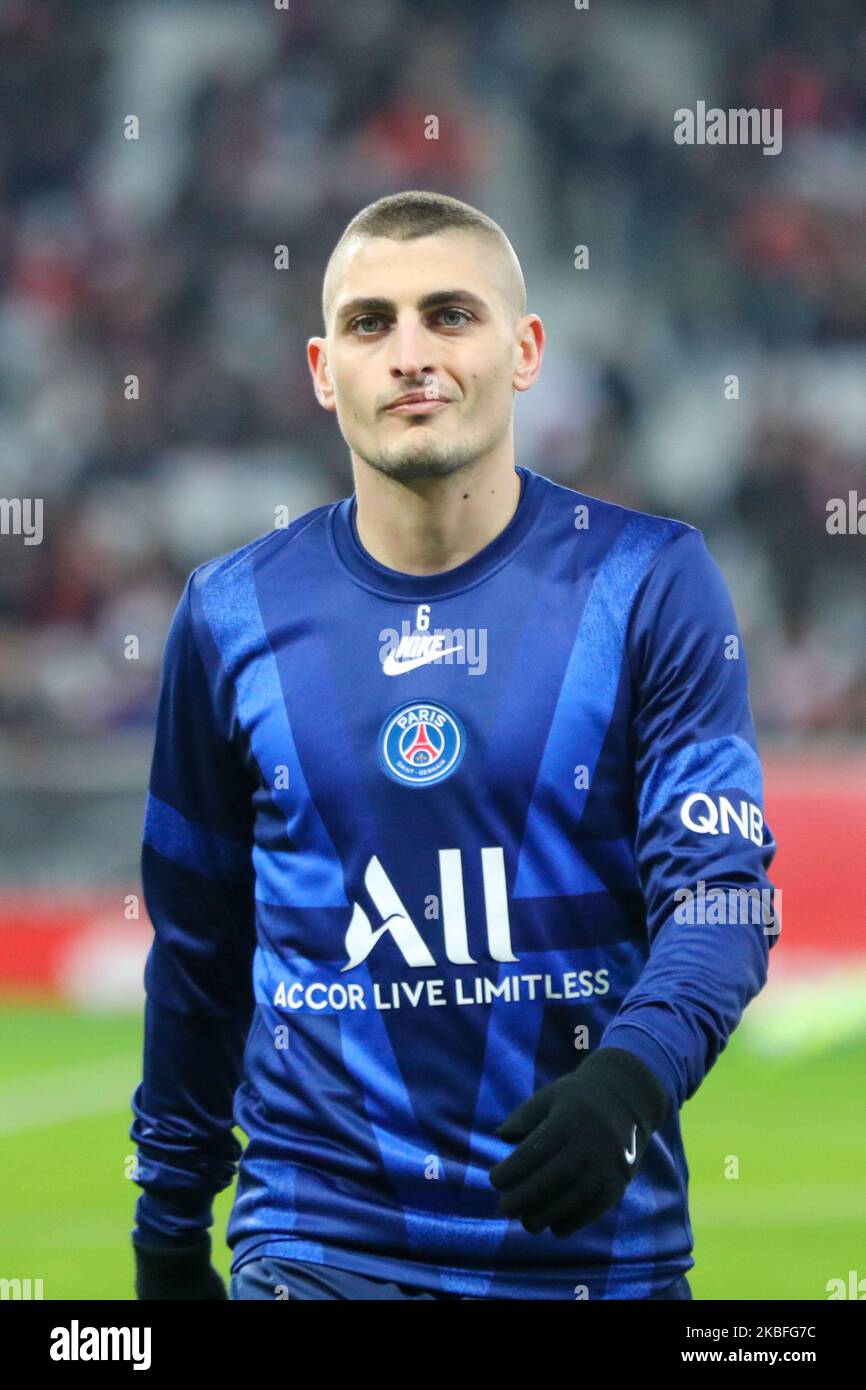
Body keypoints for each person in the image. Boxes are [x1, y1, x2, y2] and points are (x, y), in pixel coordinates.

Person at [130, 190, 778, 1301]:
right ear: (322, 369)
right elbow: (197, 953)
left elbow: (720, 901)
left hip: (591, 1256)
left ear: (523, 351)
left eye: (450, 315)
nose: (411, 354)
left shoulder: (647, 583)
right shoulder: (228, 613)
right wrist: (166, 1232)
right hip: (317, 1247)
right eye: (371, 324)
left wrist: (626, 1082)